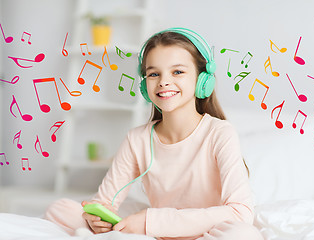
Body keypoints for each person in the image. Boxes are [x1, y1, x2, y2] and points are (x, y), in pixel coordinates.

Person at [45, 27, 264, 240]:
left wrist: (151, 221)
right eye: (153, 74)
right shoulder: (137, 139)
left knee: (244, 235)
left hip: (207, 233)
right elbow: (105, 201)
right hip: (156, 233)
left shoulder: (219, 132)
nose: (164, 81)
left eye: (177, 71)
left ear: (202, 79)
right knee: (61, 209)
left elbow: (240, 212)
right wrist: (97, 219)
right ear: (144, 85)